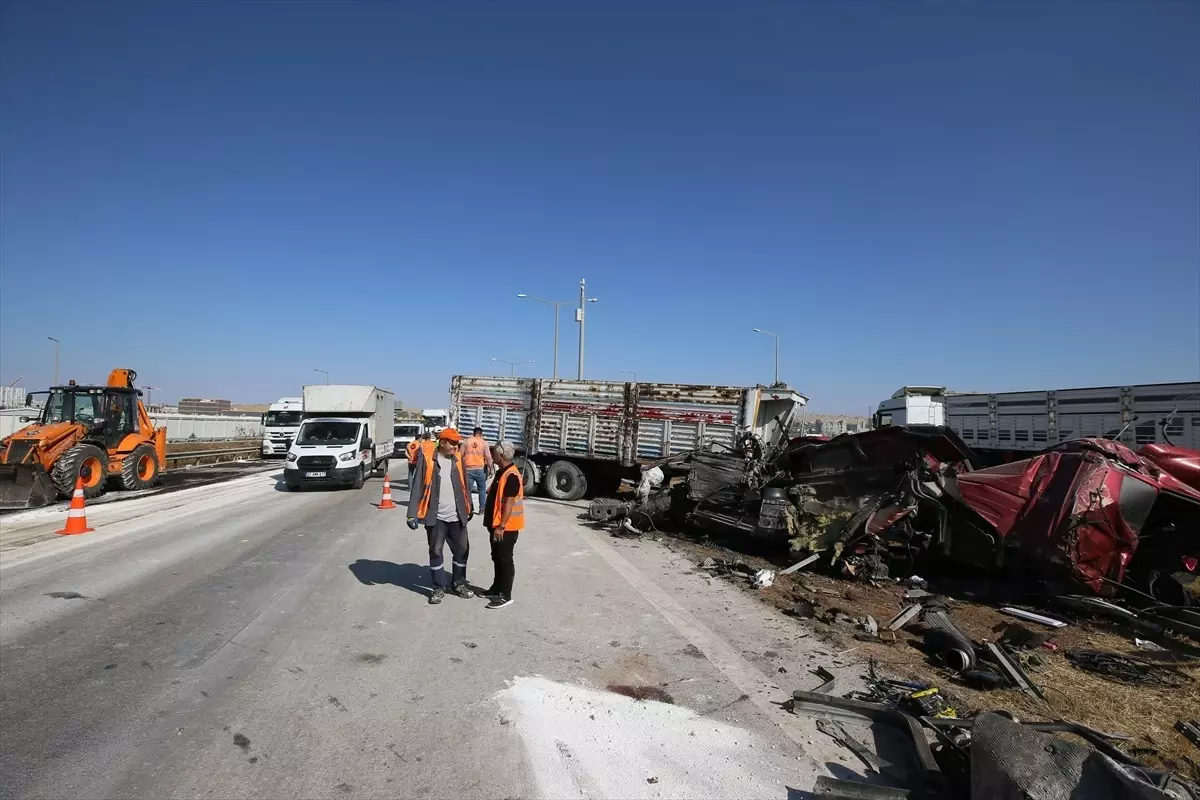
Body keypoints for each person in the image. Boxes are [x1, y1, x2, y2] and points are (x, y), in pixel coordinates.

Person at [407, 427, 475, 604]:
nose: (456, 446)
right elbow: (417, 486)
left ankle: (459, 584)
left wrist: (470, 506)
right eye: (452, 443)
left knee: (462, 551)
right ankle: (438, 587)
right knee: (436, 551)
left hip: (457, 515)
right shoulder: (428, 458)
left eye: (457, 443)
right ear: (442, 442)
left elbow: (465, 484)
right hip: (436, 517)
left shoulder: (458, 458)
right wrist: (411, 513)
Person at [481, 440, 524, 610]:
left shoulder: (511, 475)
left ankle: (505, 595)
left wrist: (501, 526)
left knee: (505, 560)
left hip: (506, 528)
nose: (492, 455)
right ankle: (496, 588)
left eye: (494, 452)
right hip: (497, 525)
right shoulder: (502, 472)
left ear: (502, 455)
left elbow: (508, 503)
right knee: (497, 557)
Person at [460, 426, 493, 514]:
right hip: (480, 470)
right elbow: (488, 457)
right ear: (481, 434)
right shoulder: (484, 443)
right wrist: (491, 469)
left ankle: (470, 508)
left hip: (468, 469)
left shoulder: (466, 442)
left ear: (473, 433)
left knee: (468, 490)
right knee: (482, 490)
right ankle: (482, 509)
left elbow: (460, 455)